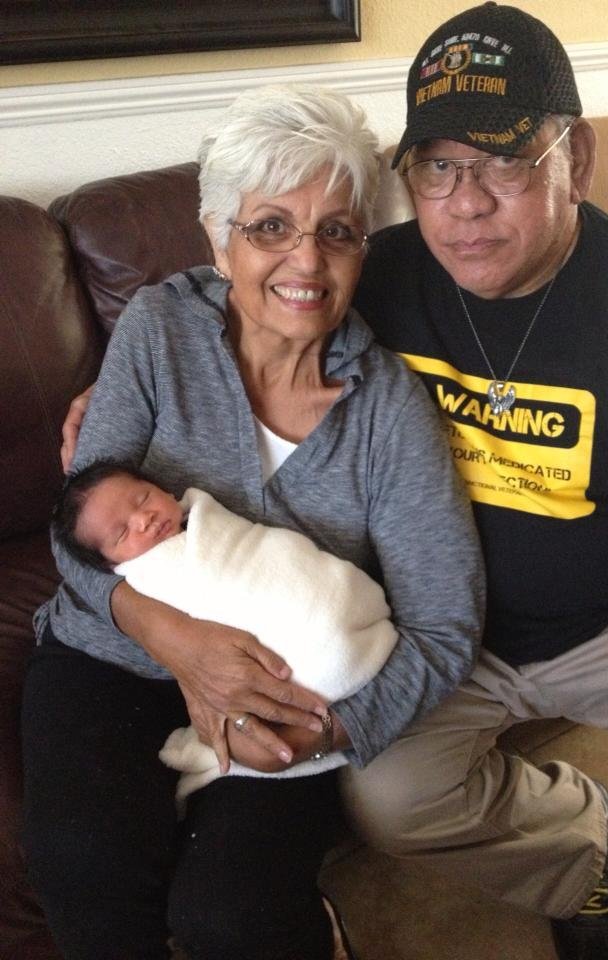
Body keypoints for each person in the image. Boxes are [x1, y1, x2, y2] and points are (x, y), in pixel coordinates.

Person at [22, 85, 485, 960]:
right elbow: (77, 529)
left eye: (337, 231)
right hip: (109, 655)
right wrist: (174, 639)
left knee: (234, 916)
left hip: (286, 694)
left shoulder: (389, 409)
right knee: (87, 867)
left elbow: (445, 624)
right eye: (271, 226)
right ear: (217, 239)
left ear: (363, 248)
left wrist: (331, 730)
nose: (306, 259)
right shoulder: (161, 328)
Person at [340, 5, 608, 960]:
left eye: (504, 162)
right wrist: (130, 389)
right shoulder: (378, 278)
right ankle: (580, 859)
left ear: (575, 161)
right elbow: (239, 311)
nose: (465, 204)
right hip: (444, 629)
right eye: (437, 167)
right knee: (391, 798)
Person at [53, 460, 398, 792]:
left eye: (143, 498)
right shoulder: (144, 573)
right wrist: (171, 640)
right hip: (89, 661)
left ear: (165, 490)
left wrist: (310, 737)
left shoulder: (206, 517)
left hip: (301, 659)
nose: (144, 519)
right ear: (110, 564)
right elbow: (67, 548)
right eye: (122, 533)